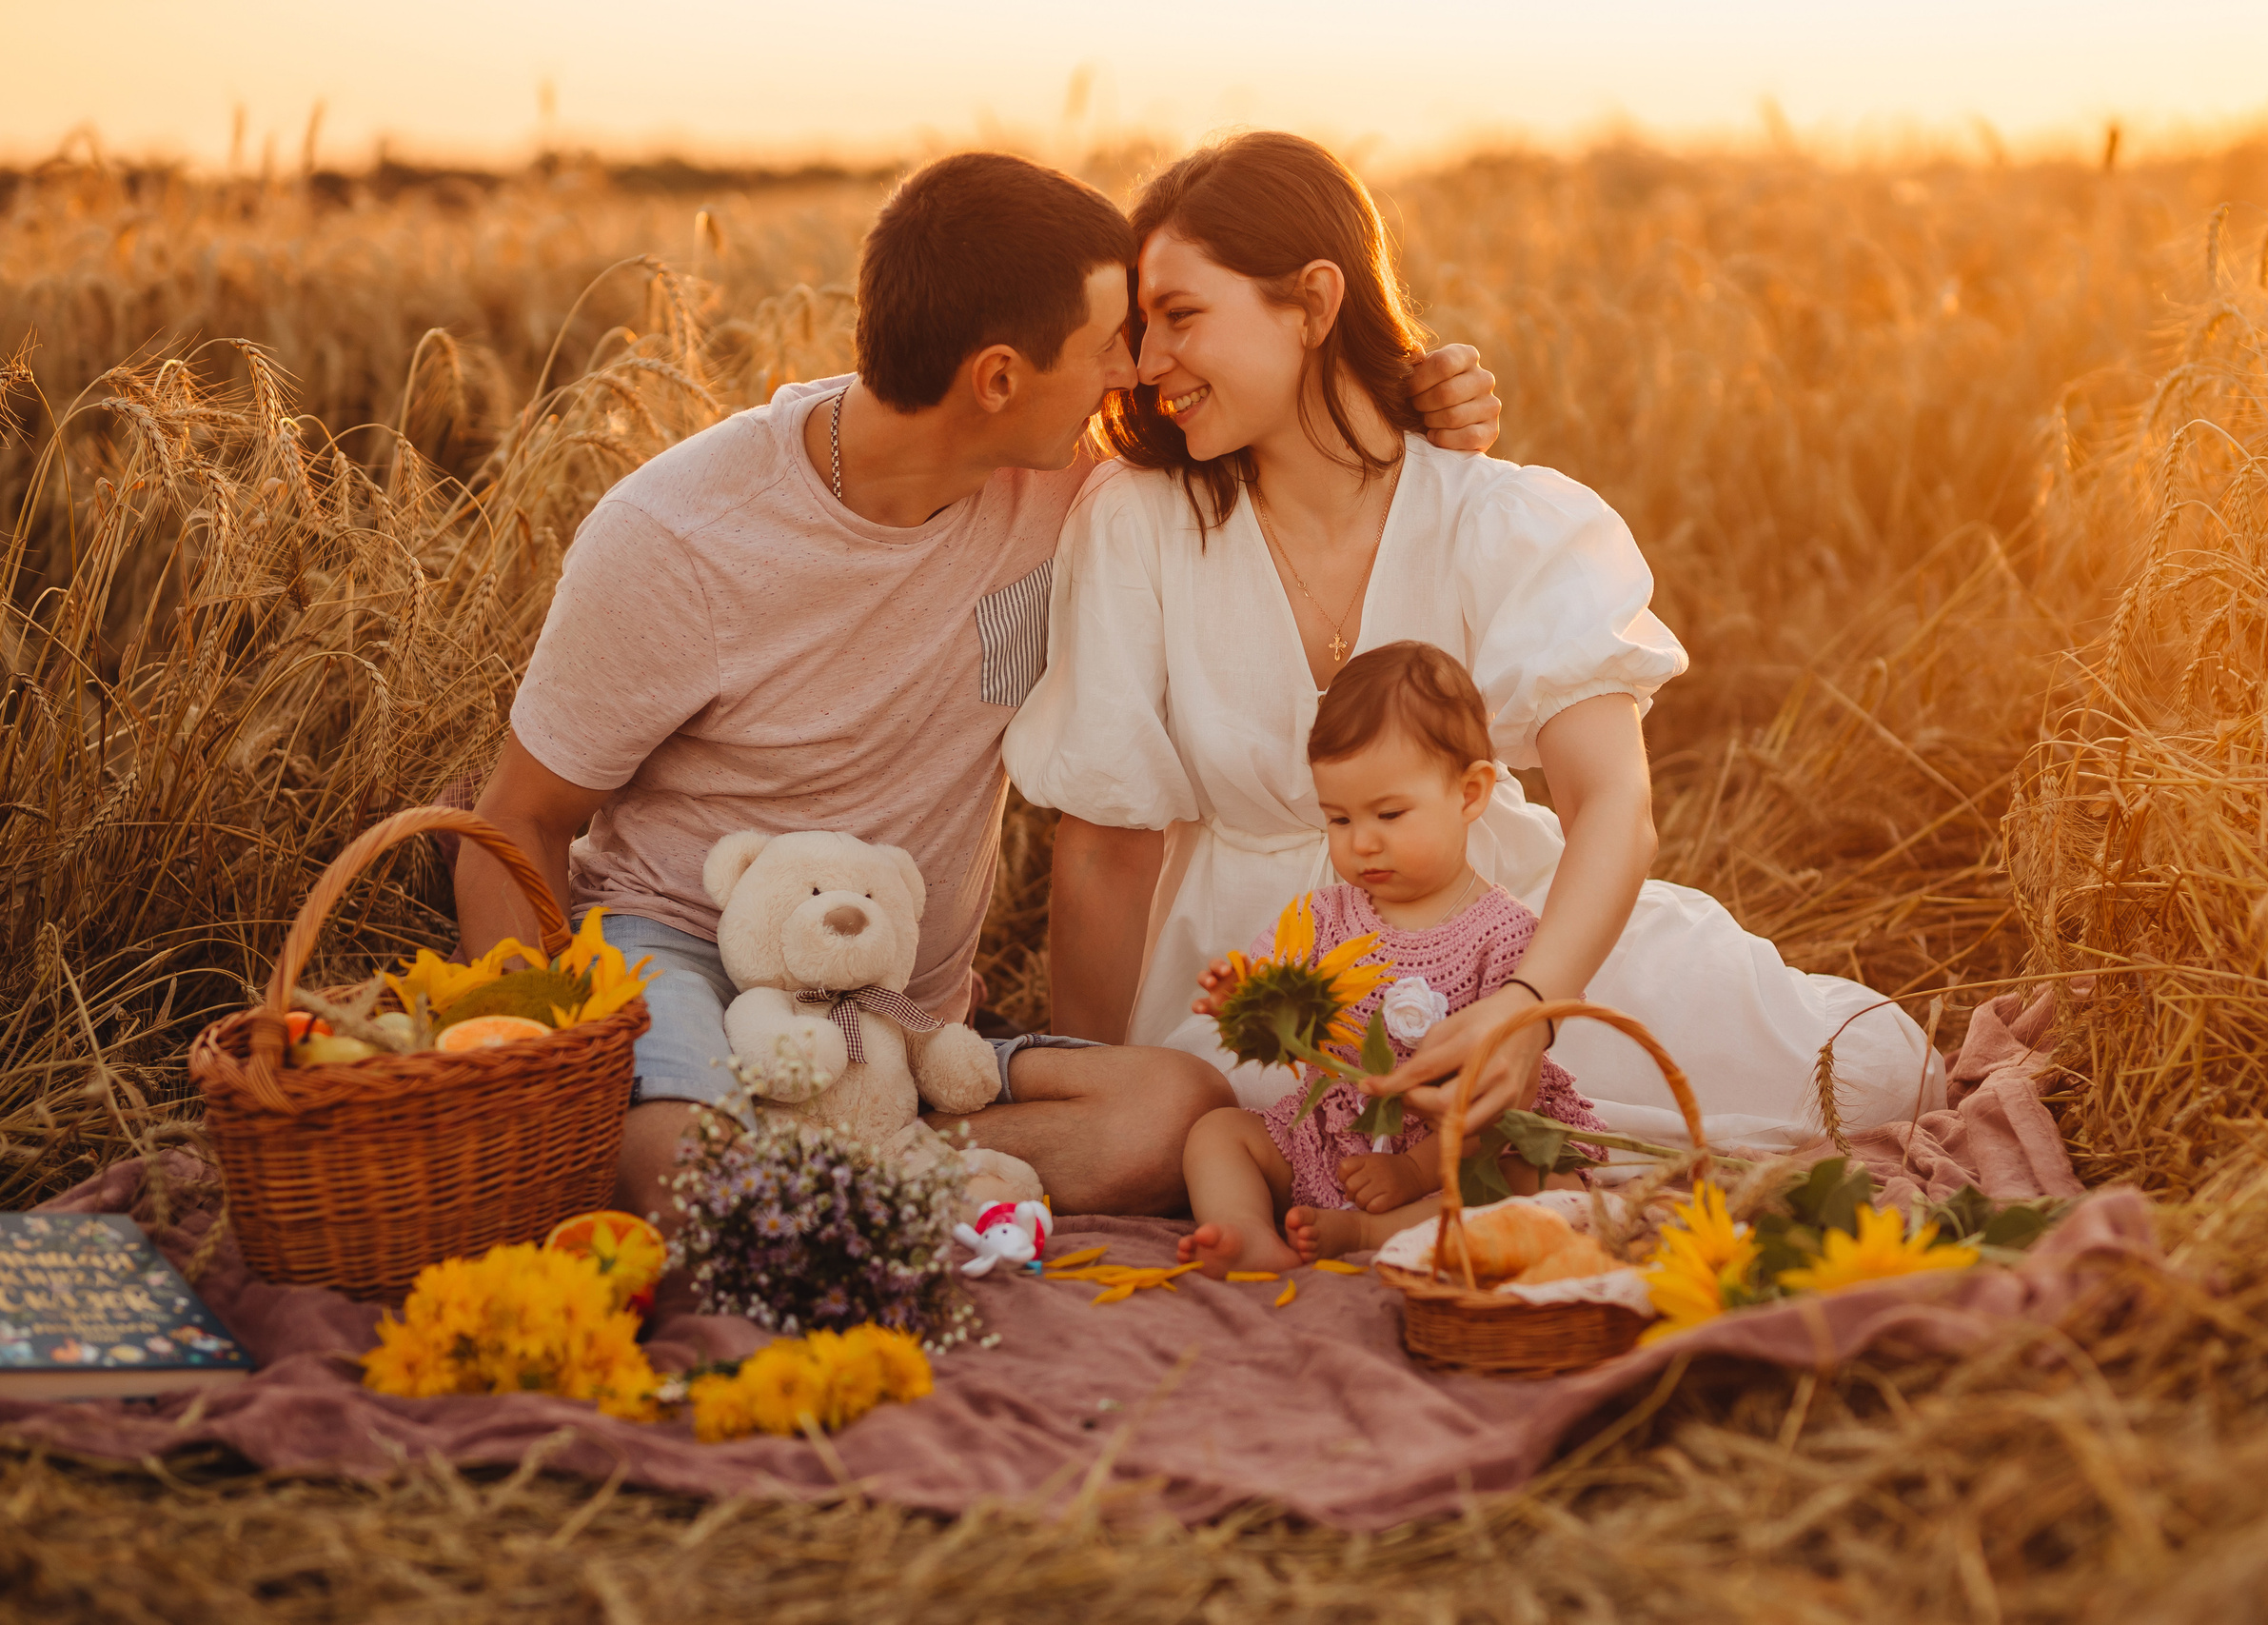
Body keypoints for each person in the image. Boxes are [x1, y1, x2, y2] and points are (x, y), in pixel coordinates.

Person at [450, 150, 1506, 1234]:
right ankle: (750, 1171)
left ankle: (797, 1181)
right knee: (681, 1164)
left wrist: (1413, 410)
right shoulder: (676, 539)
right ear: (998, 379)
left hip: (900, 1013)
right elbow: (517, 821)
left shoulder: (1074, 488)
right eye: (1109, 342)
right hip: (681, 947)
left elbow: (1279, 435)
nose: (1137, 369)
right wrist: (528, 1075)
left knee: (1170, 1107)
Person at [1006, 131, 1941, 1165]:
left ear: (1312, 304)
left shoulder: (1504, 519)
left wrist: (1529, 1006)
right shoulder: (1136, 520)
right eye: (1139, 328)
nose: (1146, 363)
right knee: (1243, 1129)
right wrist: (1090, 1074)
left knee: (1869, 1072)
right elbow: (1102, 846)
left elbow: (1610, 806)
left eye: (1181, 317)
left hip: (1492, 927)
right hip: (1251, 975)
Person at [1174, 642, 1611, 1276]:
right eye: (1340, 818)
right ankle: (1243, 1231)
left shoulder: (1505, 935)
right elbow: (1276, 978)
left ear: (1469, 794)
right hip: (1335, 1138)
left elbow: (1502, 1095)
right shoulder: (1326, 915)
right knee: (1216, 1134)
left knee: (1545, 1184)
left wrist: (1413, 1168)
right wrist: (1241, 994)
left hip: (1457, 1155)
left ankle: (1368, 1232)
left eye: (1389, 813)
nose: (1363, 841)